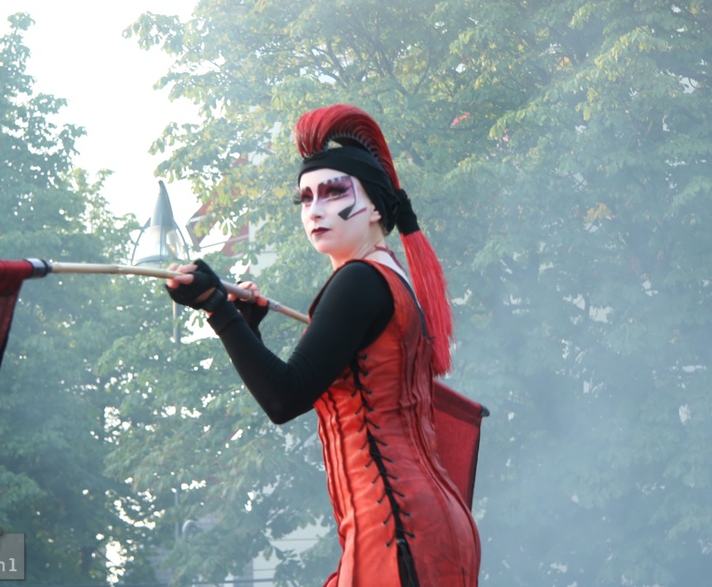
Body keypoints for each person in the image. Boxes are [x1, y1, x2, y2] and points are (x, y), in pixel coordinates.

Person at [166, 104, 480, 586]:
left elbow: (285, 397)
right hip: (425, 522)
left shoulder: (358, 280)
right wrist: (245, 327)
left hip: (395, 525)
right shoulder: (386, 278)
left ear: (375, 205)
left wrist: (217, 307)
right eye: (305, 198)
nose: (315, 209)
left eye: (333, 193)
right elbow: (312, 380)